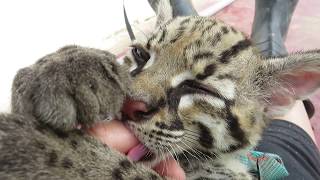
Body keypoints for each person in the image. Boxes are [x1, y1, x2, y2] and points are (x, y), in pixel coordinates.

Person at [88, 0, 320, 179]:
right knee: (292, 138)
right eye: (142, 55)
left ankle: (264, 42)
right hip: (291, 157)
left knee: (269, 76)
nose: (133, 96)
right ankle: (267, 37)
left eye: (197, 86)